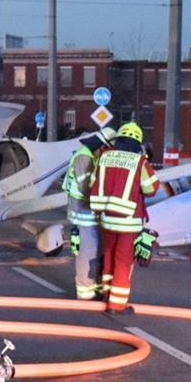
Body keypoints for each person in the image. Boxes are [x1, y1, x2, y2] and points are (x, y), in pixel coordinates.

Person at [88, 122, 160, 313]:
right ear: (138, 142)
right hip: (128, 220)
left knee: (109, 254)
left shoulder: (104, 157)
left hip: (106, 218)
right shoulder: (139, 162)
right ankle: (117, 304)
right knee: (123, 260)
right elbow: (151, 189)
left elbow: (93, 183)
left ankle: (106, 293)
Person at [62, 127, 117, 300]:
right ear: (103, 145)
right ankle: (85, 291)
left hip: (89, 210)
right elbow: (86, 187)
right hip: (83, 211)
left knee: (97, 250)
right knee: (88, 251)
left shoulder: (90, 154)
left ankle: (96, 286)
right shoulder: (84, 156)